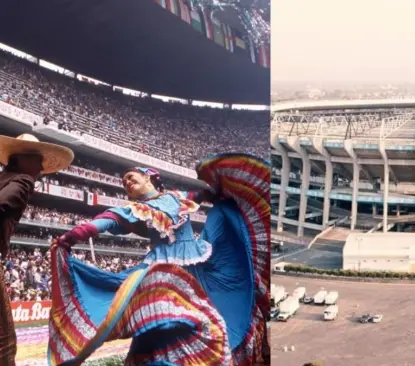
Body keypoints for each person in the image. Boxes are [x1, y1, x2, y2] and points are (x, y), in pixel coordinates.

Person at [48, 153, 270, 366]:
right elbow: (105, 222)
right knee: (161, 322)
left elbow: (205, 194)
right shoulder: (135, 209)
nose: (126, 182)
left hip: (196, 262)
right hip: (161, 270)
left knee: (222, 213)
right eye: (124, 182)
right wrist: (70, 237)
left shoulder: (177, 197)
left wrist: (221, 185)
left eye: (130, 177)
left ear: (147, 177)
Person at [0, 134, 74, 366]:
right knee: (5, 342)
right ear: (22, 159)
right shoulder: (23, 180)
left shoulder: (4, 177)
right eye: (38, 161)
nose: (41, 168)